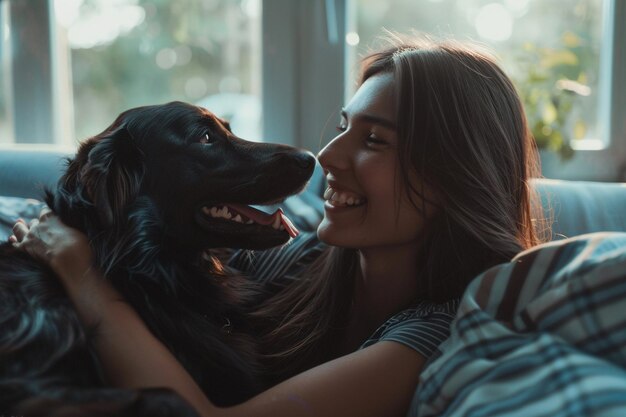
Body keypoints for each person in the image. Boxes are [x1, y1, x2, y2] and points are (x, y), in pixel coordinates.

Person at [11, 36, 543, 417]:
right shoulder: (296, 257)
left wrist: (81, 274)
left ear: (455, 175)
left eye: (374, 140)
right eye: (342, 127)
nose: (329, 155)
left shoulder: (430, 337)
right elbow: (138, 229)